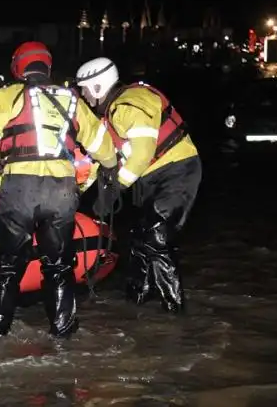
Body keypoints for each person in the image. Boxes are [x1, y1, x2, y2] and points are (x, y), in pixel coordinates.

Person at [0, 42, 119, 339]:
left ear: (18, 66)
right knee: (59, 266)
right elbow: (100, 141)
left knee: (6, 266)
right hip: (61, 192)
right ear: (47, 66)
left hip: (19, 190)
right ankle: (63, 332)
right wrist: (109, 166)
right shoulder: (72, 99)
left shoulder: (4, 97)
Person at [75, 57, 201, 314]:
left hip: (177, 171)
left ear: (99, 86)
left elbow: (142, 153)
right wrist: (74, 193)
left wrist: (116, 188)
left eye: (85, 90)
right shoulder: (108, 118)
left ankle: (174, 312)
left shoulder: (130, 104)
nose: (84, 96)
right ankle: (137, 304)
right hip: (149, 178)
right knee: (139, 239)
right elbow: (99, 160)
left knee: (156, 238)